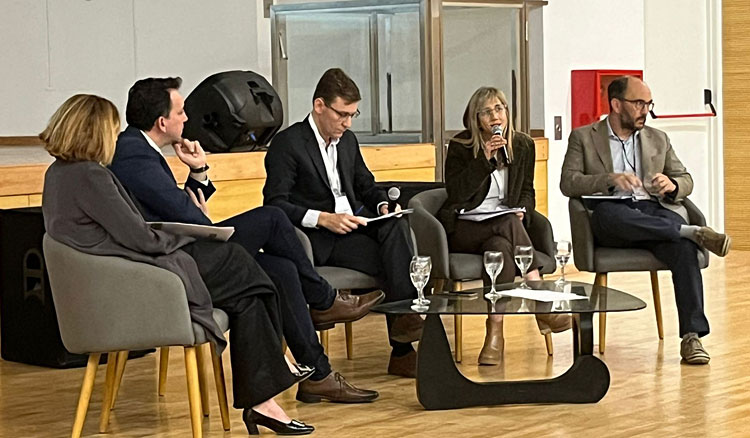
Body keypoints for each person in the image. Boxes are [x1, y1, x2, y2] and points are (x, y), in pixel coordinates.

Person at [40, 94, 313, 435]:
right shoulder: (91, 176)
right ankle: (276, 375)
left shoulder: (60, 173)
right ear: (94, 132)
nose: (115, 138)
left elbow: (127, 229)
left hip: (123, 276)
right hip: (138, 281)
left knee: (249, 293)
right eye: (111, 131)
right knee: (245, 262)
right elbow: (139, 236)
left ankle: (264, 403)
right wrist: (184, 235)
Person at [109, 77, 380, 403]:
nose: (187, 119)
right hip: (174, 264)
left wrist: (198, 171)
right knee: (273, 217)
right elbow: (188, 215)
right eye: (180, 112)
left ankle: (317, 374)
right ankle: (323, 300)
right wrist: (197, 209)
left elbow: (177, 210)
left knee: (281, 269)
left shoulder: (141, 149)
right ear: (162, 121)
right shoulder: (134, 155)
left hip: (183, 249)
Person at [264, 68, 423, 378]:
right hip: (319, 238)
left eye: (353, 115)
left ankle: (404, 329)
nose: (348, 123)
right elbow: (275, 205)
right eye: (342, 114)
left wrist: (381, 204)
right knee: (394, 263)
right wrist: (324, 218)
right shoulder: (289, 143)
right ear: (319, 105)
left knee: (395, 226)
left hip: (353, 228)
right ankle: (403, 348)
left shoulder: (347, 141)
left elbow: (365, 183)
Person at [561, 75, 731, 365]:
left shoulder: (658, 139)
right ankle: (691, 231)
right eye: (639, 103)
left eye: (649, 103)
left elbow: (685, 178)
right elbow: (569, 183)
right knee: (610, 215)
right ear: (616, 104)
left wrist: (672, 184)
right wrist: (609, 180)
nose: (645, 110)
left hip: (653, 211)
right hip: (613, 215)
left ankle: (692, 337)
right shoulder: (584, 137)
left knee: (684, 250)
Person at [438, 87, 570, 365]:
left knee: (498, 249)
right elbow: (457, 194)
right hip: (465, 227)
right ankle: (542, 303)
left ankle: (494, 335)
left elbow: (527, 192)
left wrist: (523, 210)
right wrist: (483, 161)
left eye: (499, 109)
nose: (495, 116)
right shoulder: (460, 147)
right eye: (487, 112)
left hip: (503, 227)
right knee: (507, 224)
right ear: (475, 118)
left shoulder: (522, 145)